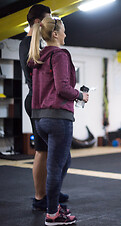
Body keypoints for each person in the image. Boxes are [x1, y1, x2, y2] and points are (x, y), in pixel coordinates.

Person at [28, 16, 89, 226]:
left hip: (40, 120)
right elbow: (63, 88)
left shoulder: (38, 56)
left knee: (64, 161)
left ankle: (52, 203)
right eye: (63, 31)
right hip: (57, 118)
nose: (65, 34)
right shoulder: (60, 54)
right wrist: (80, 96)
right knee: (55, 167)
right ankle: (52, 213)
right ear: (55, 34)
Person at [19, 4, 69, 211]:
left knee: (56, 154)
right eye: (48, 20)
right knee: (43, 151)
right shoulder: (31, 44)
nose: (51, 24)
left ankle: (50, 191)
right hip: (40, 103)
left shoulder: (34, 44)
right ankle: (42, 197)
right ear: (40, 22)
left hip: (41, 102)